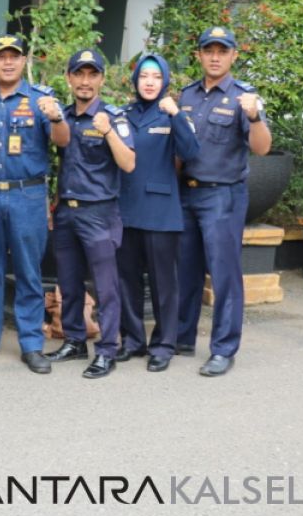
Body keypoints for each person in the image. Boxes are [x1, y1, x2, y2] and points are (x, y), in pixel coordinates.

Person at [0, 34, 69, 374]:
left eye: (14, 56)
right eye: (0, 57)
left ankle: (31, 344)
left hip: (28, 195)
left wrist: (56, 118)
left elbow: (62, 141)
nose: (7, 62)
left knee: (28, 272)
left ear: (24, 60)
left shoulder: (41, 100)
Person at [176, 27, 271, 377]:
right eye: (208, 50)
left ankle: (223, 349)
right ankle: (182, 337)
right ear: (199, 55)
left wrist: (255, 117)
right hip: (187, 192)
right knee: (184, 270)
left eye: (222, 50)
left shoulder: (245, 98)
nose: (215, 56)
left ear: (233, 56)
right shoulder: (186, 96)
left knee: (224, 274)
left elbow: (261, 148)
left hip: (223, 195)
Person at [45, 49, 136, 379]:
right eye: (79, 74)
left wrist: (108, 131)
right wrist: (54, 206)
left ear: (101, 79)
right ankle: (74, 340)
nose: (85, 81)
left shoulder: (114, 117)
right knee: (68, 283)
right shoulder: (63, 118)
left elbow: (128, 163)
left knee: (105, 287)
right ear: (69, 78)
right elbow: (63, 165)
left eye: (92, 74)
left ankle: (108, 349)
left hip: (99, 213)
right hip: (67, 213)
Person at [116, 54, 200, 373]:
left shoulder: (172, 114)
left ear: (165, 82)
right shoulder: (122, 114)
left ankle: (164, 344)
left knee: (165, 282)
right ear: (135, 81)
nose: (149, 82)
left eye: (155, 76)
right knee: (127, 279)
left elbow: (191, 152)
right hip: (126, 208)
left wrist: (177, 114)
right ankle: (133, 339)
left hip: (161, 211)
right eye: (143, 76)